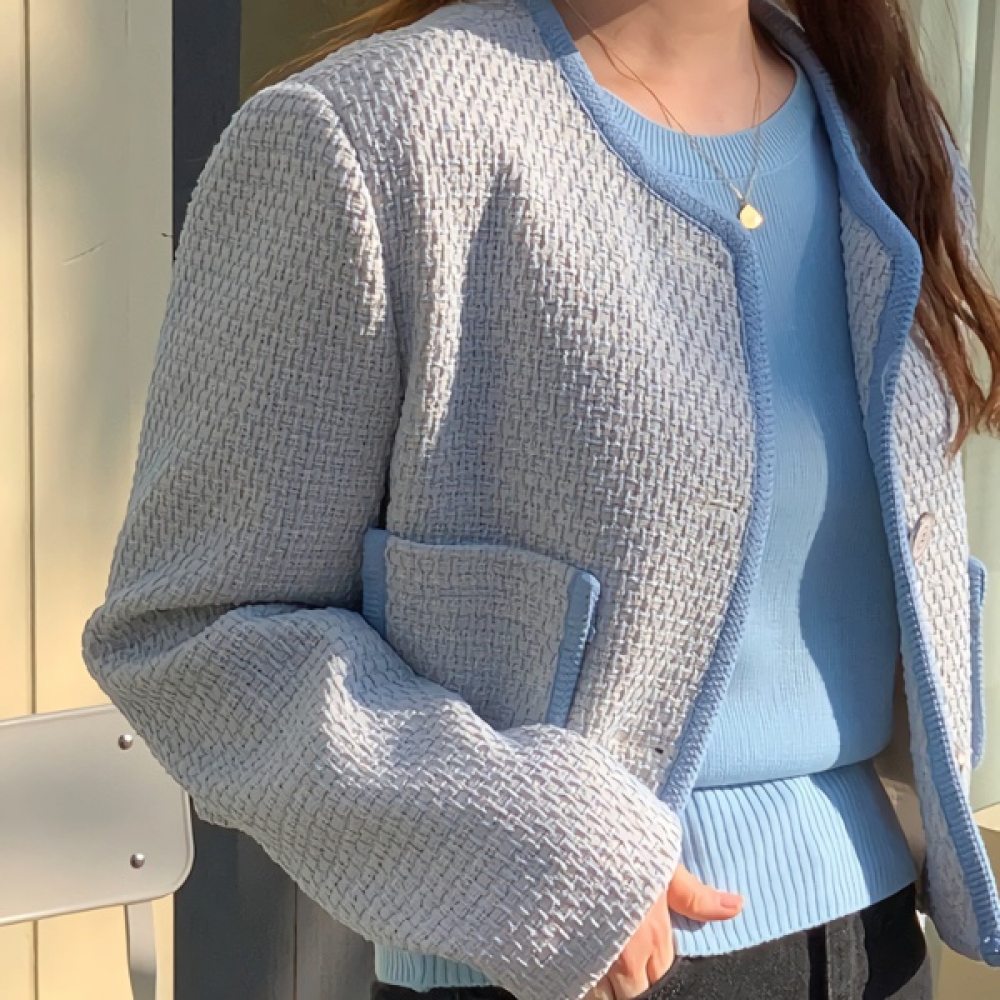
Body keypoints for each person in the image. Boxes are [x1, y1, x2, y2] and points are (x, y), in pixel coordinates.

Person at [82, 0, 1000, 998]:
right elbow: (190, 632)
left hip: (877, 939)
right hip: (563, 961)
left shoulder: (881, 128)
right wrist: (525, 842)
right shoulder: (373, 133)